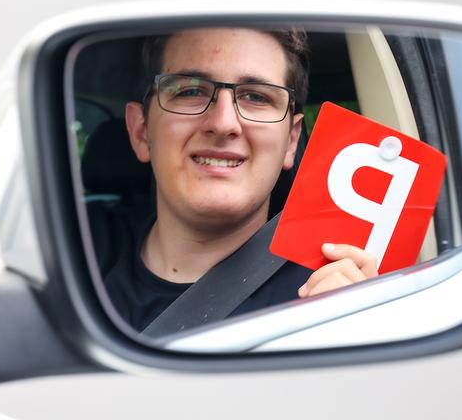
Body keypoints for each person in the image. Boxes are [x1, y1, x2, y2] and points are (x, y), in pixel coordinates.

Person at [101, 27, 378, 332]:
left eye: (256, 97)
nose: (223, 123)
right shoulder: (71, 254)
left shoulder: (333, 297)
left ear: (291, 143)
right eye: (190, 91)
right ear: (141, 132)